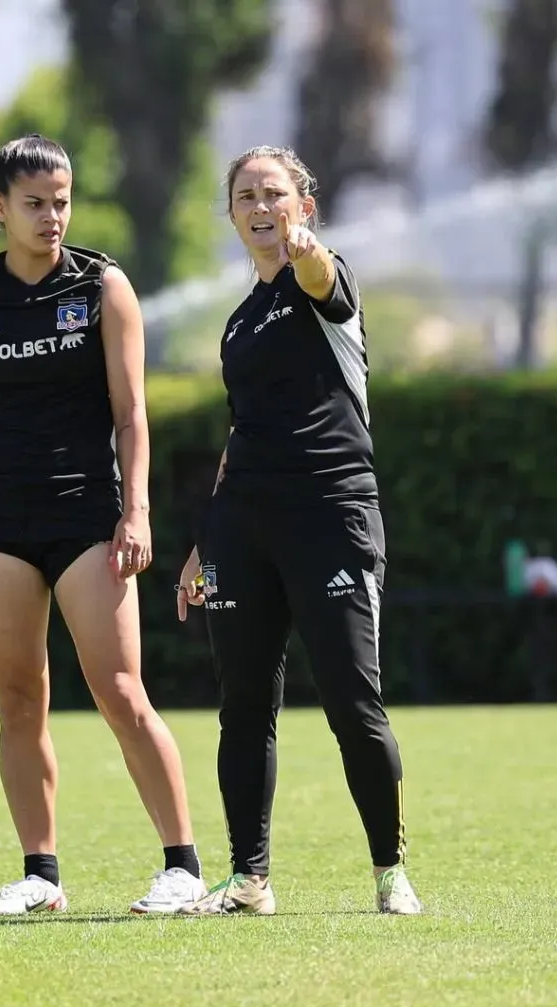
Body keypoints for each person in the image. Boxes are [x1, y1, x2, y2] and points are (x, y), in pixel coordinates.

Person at [0, 133, 206, 916]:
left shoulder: (104, 286)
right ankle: (40, 877)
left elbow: (132, 414)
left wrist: (136, 511)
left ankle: (183, 865)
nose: (52, 218)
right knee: (19, 699)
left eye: (63, 202)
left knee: (119, 690)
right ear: (0, 207)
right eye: (35, 204)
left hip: (88, 517)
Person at [175, 145, 422, 916]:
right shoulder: (239, 322)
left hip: (330, 515)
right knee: (243, 705)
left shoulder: (326, 279)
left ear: (303, 206)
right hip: (242, 527)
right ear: (232, 214)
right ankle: (250, 879)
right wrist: (201, 544)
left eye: (275, 193)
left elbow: (319, 277)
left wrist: (309, 254)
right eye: (245, 194)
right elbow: (242, 434)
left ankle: (390, 872)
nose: (260, 205)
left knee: (353, 701)